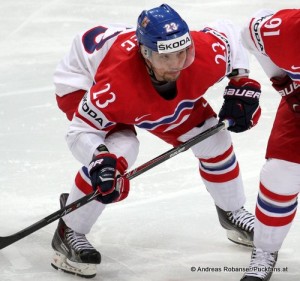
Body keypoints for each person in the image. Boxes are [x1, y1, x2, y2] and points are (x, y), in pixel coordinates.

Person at [51, 4, 262, 278]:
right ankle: (69, 228)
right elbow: (79, 132)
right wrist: (99, 156)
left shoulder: (201, 53)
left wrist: (241, 80)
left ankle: (232, 212)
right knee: (120, 150)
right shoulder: (114, 87)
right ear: (145, 54)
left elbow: (229, 34)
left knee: (213, 140)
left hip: (135, 86)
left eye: (182, 53)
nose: (176, 65)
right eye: (166, 58)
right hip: (82, 82)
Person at [239, 8, 300, 281]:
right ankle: (265, 250)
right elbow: (250, 33)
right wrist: (284, 84)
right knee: (280, 175)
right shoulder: (285, 29)